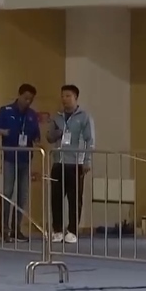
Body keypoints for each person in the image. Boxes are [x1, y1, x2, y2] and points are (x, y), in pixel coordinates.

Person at [0, 83, 40, 243]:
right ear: (19, 96)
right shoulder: (6, 111)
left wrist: (38, 140)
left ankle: (16, 228)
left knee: (22, 195)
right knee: (7, 192)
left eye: (31, 99)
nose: (28, 102)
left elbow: (36, 135)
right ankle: (4, 229)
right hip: (10, 158)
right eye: (26, 98)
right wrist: (4, 132)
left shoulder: (32, 115)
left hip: (25, 159)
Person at [46, 84, 95, 244]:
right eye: (62, 96)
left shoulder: (84, 117)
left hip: (75, 163)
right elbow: (49, 137)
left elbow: (90, 140)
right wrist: (56, 133)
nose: (64, 99)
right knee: (56, 198)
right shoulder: (57, 116)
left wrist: (87, 161)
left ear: (75, 97)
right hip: (58, 162)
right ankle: (57, 230)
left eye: (68, 96)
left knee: (74, 199)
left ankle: (72, 230)